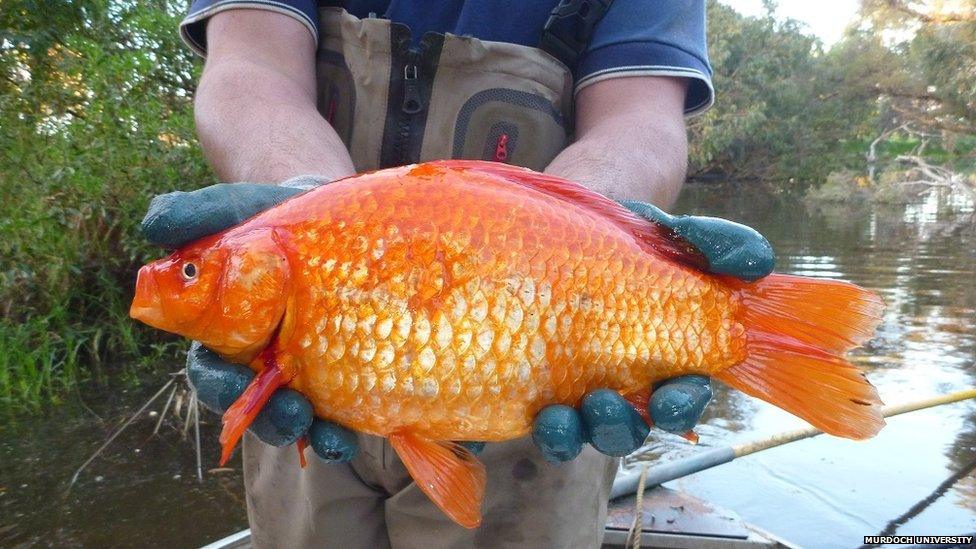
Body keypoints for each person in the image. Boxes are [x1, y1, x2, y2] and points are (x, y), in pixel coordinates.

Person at [141, 1, 773, 546]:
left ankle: (749, 332)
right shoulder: (291, 263)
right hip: (301, 414)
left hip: (538, 389)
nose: (173, 282)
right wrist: (300, 197)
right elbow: (250, 65)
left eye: (195, 272)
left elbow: (638, 117)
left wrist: (583, 242)